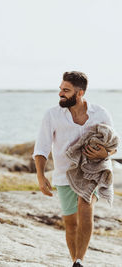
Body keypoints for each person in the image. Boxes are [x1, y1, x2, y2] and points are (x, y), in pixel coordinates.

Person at [33, 71, 117, 267]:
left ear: (79, 93)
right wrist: (40, 175)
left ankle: (80, 260)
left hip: (92, 170)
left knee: (85, 206)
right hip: (64, 174)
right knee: (71, 224)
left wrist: (103, 154)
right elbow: (42, 148)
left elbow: (113, 145)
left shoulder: (101, 113)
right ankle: (75, 262)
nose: (60, 94)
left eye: (66, 90)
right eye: (61, 89)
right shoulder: (52, 115)